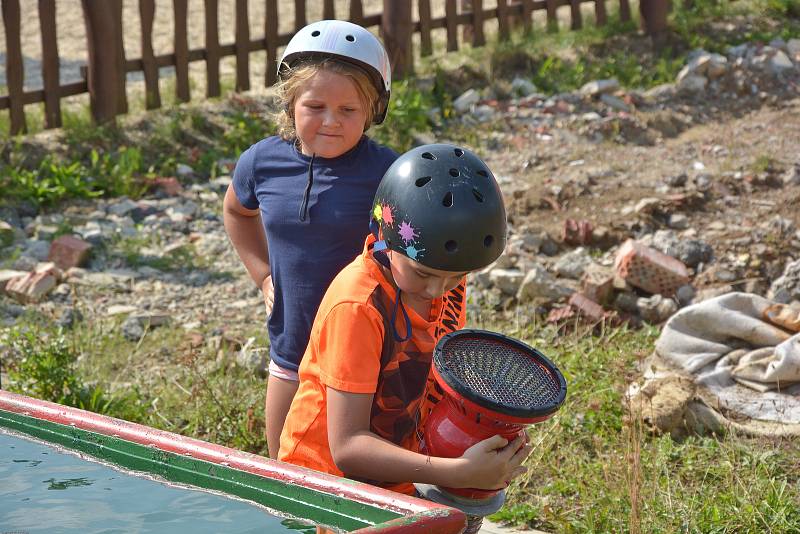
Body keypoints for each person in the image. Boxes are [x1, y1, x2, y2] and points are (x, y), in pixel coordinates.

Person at [279, 144, 531, 532]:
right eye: (422, 273)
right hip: (324, 493)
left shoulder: (443, 277)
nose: (437, 290)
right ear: (386, 238)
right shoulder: (358, 306)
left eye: (455, 277)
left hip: (396, 474)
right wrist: (459, 471)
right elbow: (348, 448)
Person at [223, 19, 398, 459]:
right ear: (290, 104)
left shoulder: (389, 174)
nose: (330, 122)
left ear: (375, 110)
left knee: (360, 477)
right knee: (286, 470)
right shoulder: (261, 162)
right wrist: (263, 276)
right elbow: (236, 211)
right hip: (290, 351)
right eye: (315, 106)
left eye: (349, 110)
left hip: (366, 363)